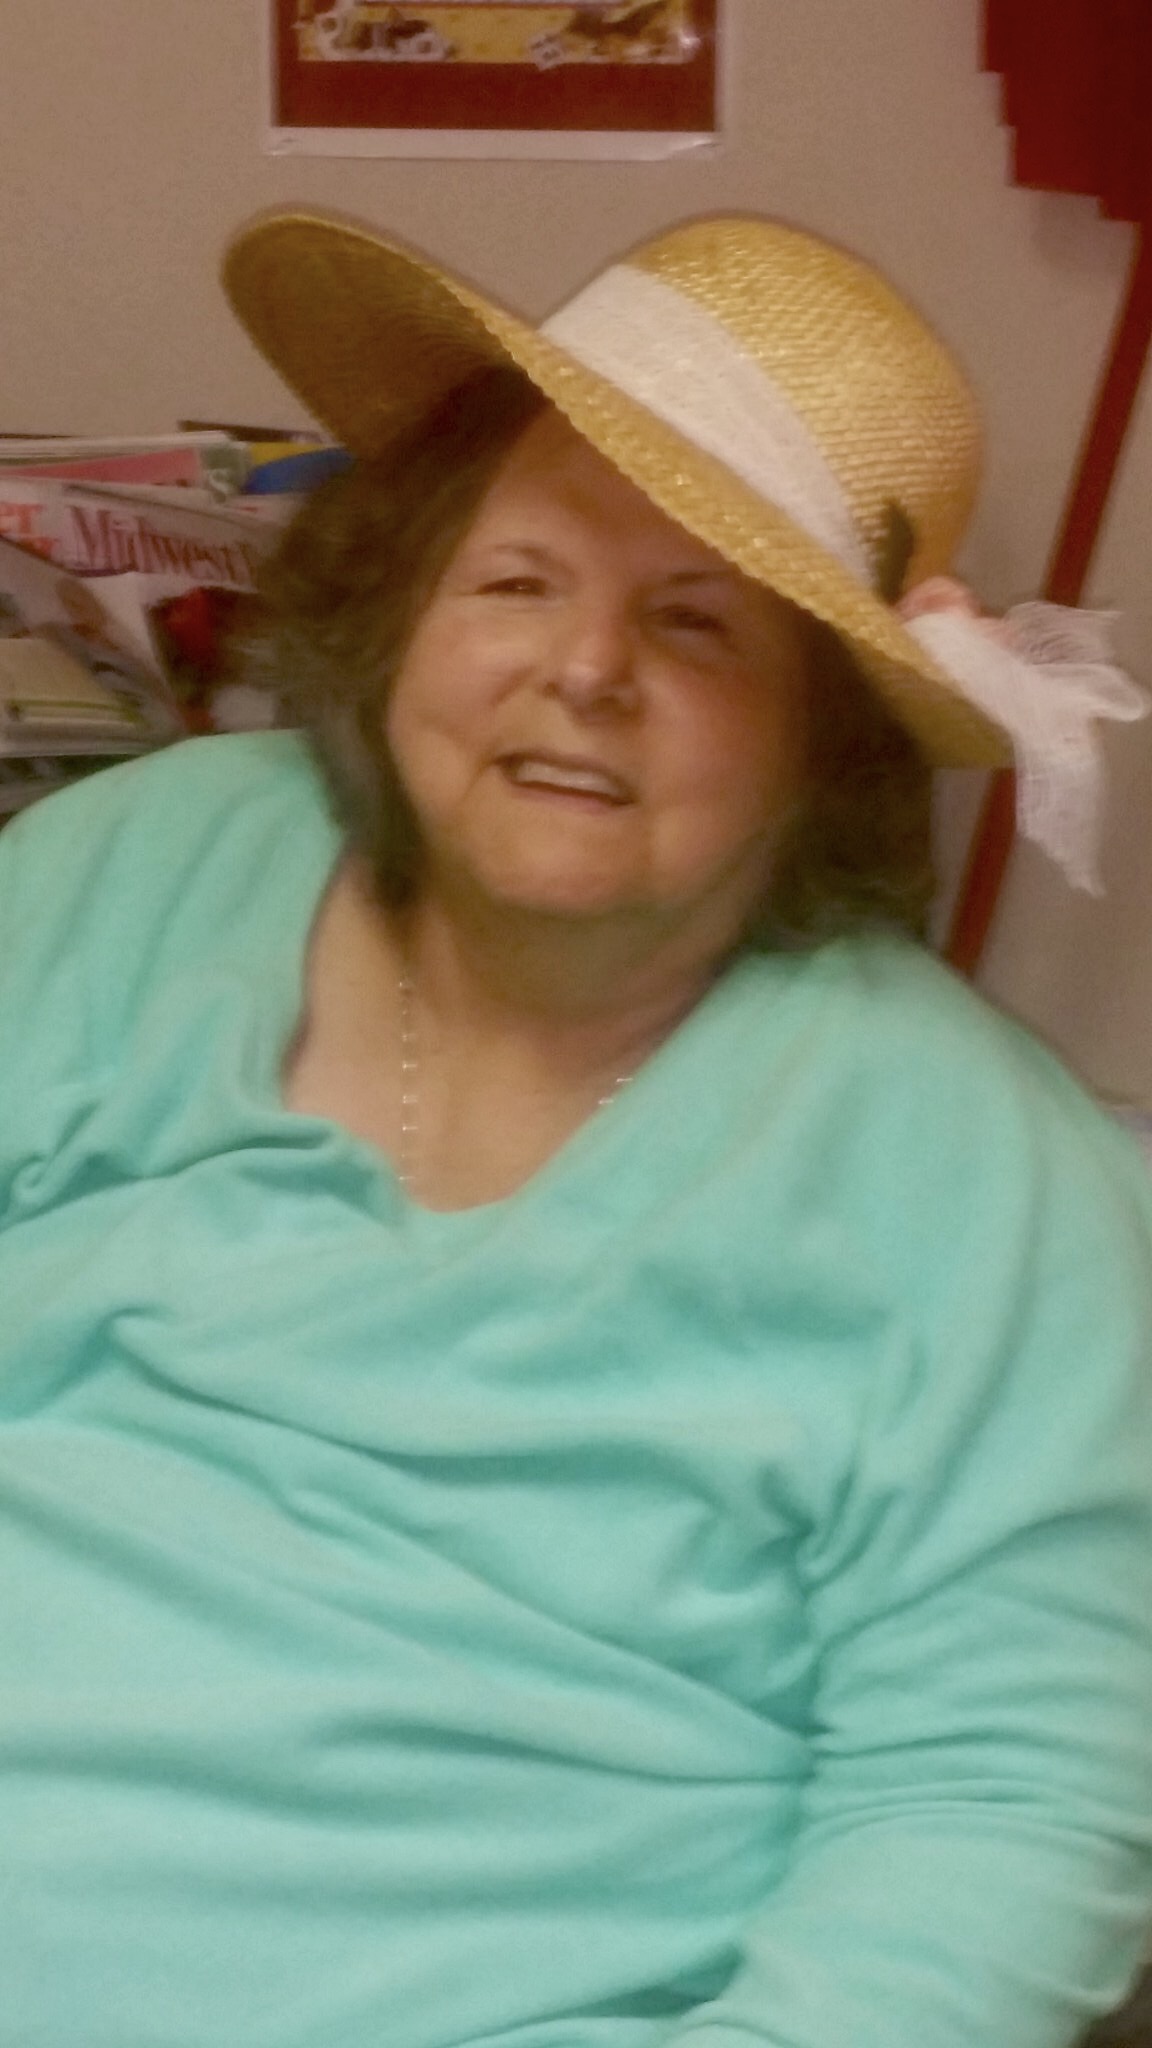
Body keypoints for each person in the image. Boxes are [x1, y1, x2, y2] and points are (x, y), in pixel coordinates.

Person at [1, 210, 1151, 2048]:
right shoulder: (139, 864)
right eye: (518, 580)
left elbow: (1006, 1799)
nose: (585, 669)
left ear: (823, 735)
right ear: (403, 613)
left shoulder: (992, 1182)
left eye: (695, 621)